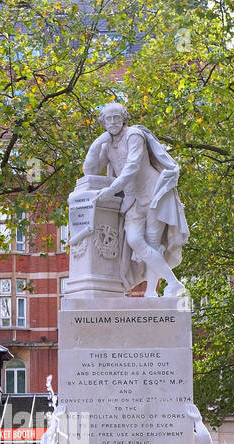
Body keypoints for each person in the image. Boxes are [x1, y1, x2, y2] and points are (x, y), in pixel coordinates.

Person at [82, 101, 189, 297]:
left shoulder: (134, 135)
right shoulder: (107, 144)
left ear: (123, 119)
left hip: (152, 194)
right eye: (109, 119)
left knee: (152, 242)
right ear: (103, 122)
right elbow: (89, 170)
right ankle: (173, 282)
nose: (113, 122)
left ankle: (151, 292)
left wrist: (111, 190)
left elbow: (132, 167)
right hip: (132, 199)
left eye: (117, 117)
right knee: (134, 240)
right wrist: (97, 142)